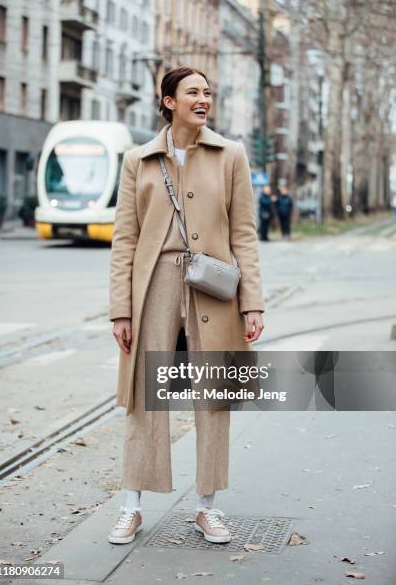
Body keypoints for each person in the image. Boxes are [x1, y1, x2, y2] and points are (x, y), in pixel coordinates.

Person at [108, 66, 266, 546]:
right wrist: (121, 309)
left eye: (208, 92)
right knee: (143, 393)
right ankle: (132, 505)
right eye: (193, 92)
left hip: (214, 287)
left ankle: (206, 507)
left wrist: (252, 303)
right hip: (153, 283)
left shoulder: (230, 155)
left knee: (213, 396)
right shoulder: (139, 159)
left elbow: (244, 234)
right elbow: (124, 238)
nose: (204, 99)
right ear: (169, 101)